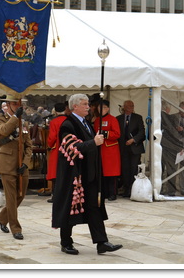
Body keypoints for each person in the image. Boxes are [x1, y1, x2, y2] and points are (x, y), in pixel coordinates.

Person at [52, 94, 122, 255]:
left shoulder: (88, 124)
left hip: (90, 175)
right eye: (84, 104)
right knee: (71, 207)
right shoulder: (67, 125)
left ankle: (102, 242)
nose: (88, 107)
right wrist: (94, 142)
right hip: (74, 176)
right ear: (75, 106)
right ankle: (66, 242)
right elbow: (72, 148)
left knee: (94, 207)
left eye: (88, 104)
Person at [0, 94, 32, 240]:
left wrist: (26, 162)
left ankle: (3, 218)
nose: (17, 106)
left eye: (19, 104)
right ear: (8, 105)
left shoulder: (24, 122)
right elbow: (3, 131)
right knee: (11, 198)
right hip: (7, 163)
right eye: (14, 104)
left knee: (20, 195)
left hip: (21, 165)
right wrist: (16, 117)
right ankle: (15, 228)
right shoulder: (1, 118)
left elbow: (29, 146)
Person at [116, 100, 145, 197]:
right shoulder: (118, 118)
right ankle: (126, 188)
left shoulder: (138, 118)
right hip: (123, 148)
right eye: (129, 106)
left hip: (135, 147)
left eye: (132, 105)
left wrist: (133, 140)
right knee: (125, 169)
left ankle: (134, 189)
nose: (131, 107)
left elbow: (142, 132)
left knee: (134, 168)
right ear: (124, 107)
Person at [93, 100, 121, 201]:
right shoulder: (96, 120)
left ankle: (113, 193)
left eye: (104, 108)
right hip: (100, 149)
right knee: (102, 172)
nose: (101, 110)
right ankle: (103, 192)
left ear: (108, 108)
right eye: (100, 108)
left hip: (110, 149)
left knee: (111, 173)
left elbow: (117, 134)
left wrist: (105, 133)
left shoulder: (112, 119)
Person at [160, 100, 184, 196]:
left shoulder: (155, 117)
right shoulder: (171, 118)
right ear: (167, 109)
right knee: (171, 170)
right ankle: (170, 191)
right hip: (170, 147)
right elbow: (175, 133)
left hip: (158, 146)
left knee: (159, 169)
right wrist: (180, 146)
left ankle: (159, 189)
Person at [46, 102, 68, 203]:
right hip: (68, 148)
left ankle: (55, 196)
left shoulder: (54, 122)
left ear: (55, 110)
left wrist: (49, 145)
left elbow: (52, 137)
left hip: (57, 149)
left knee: (55, 173)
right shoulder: (69, 120)